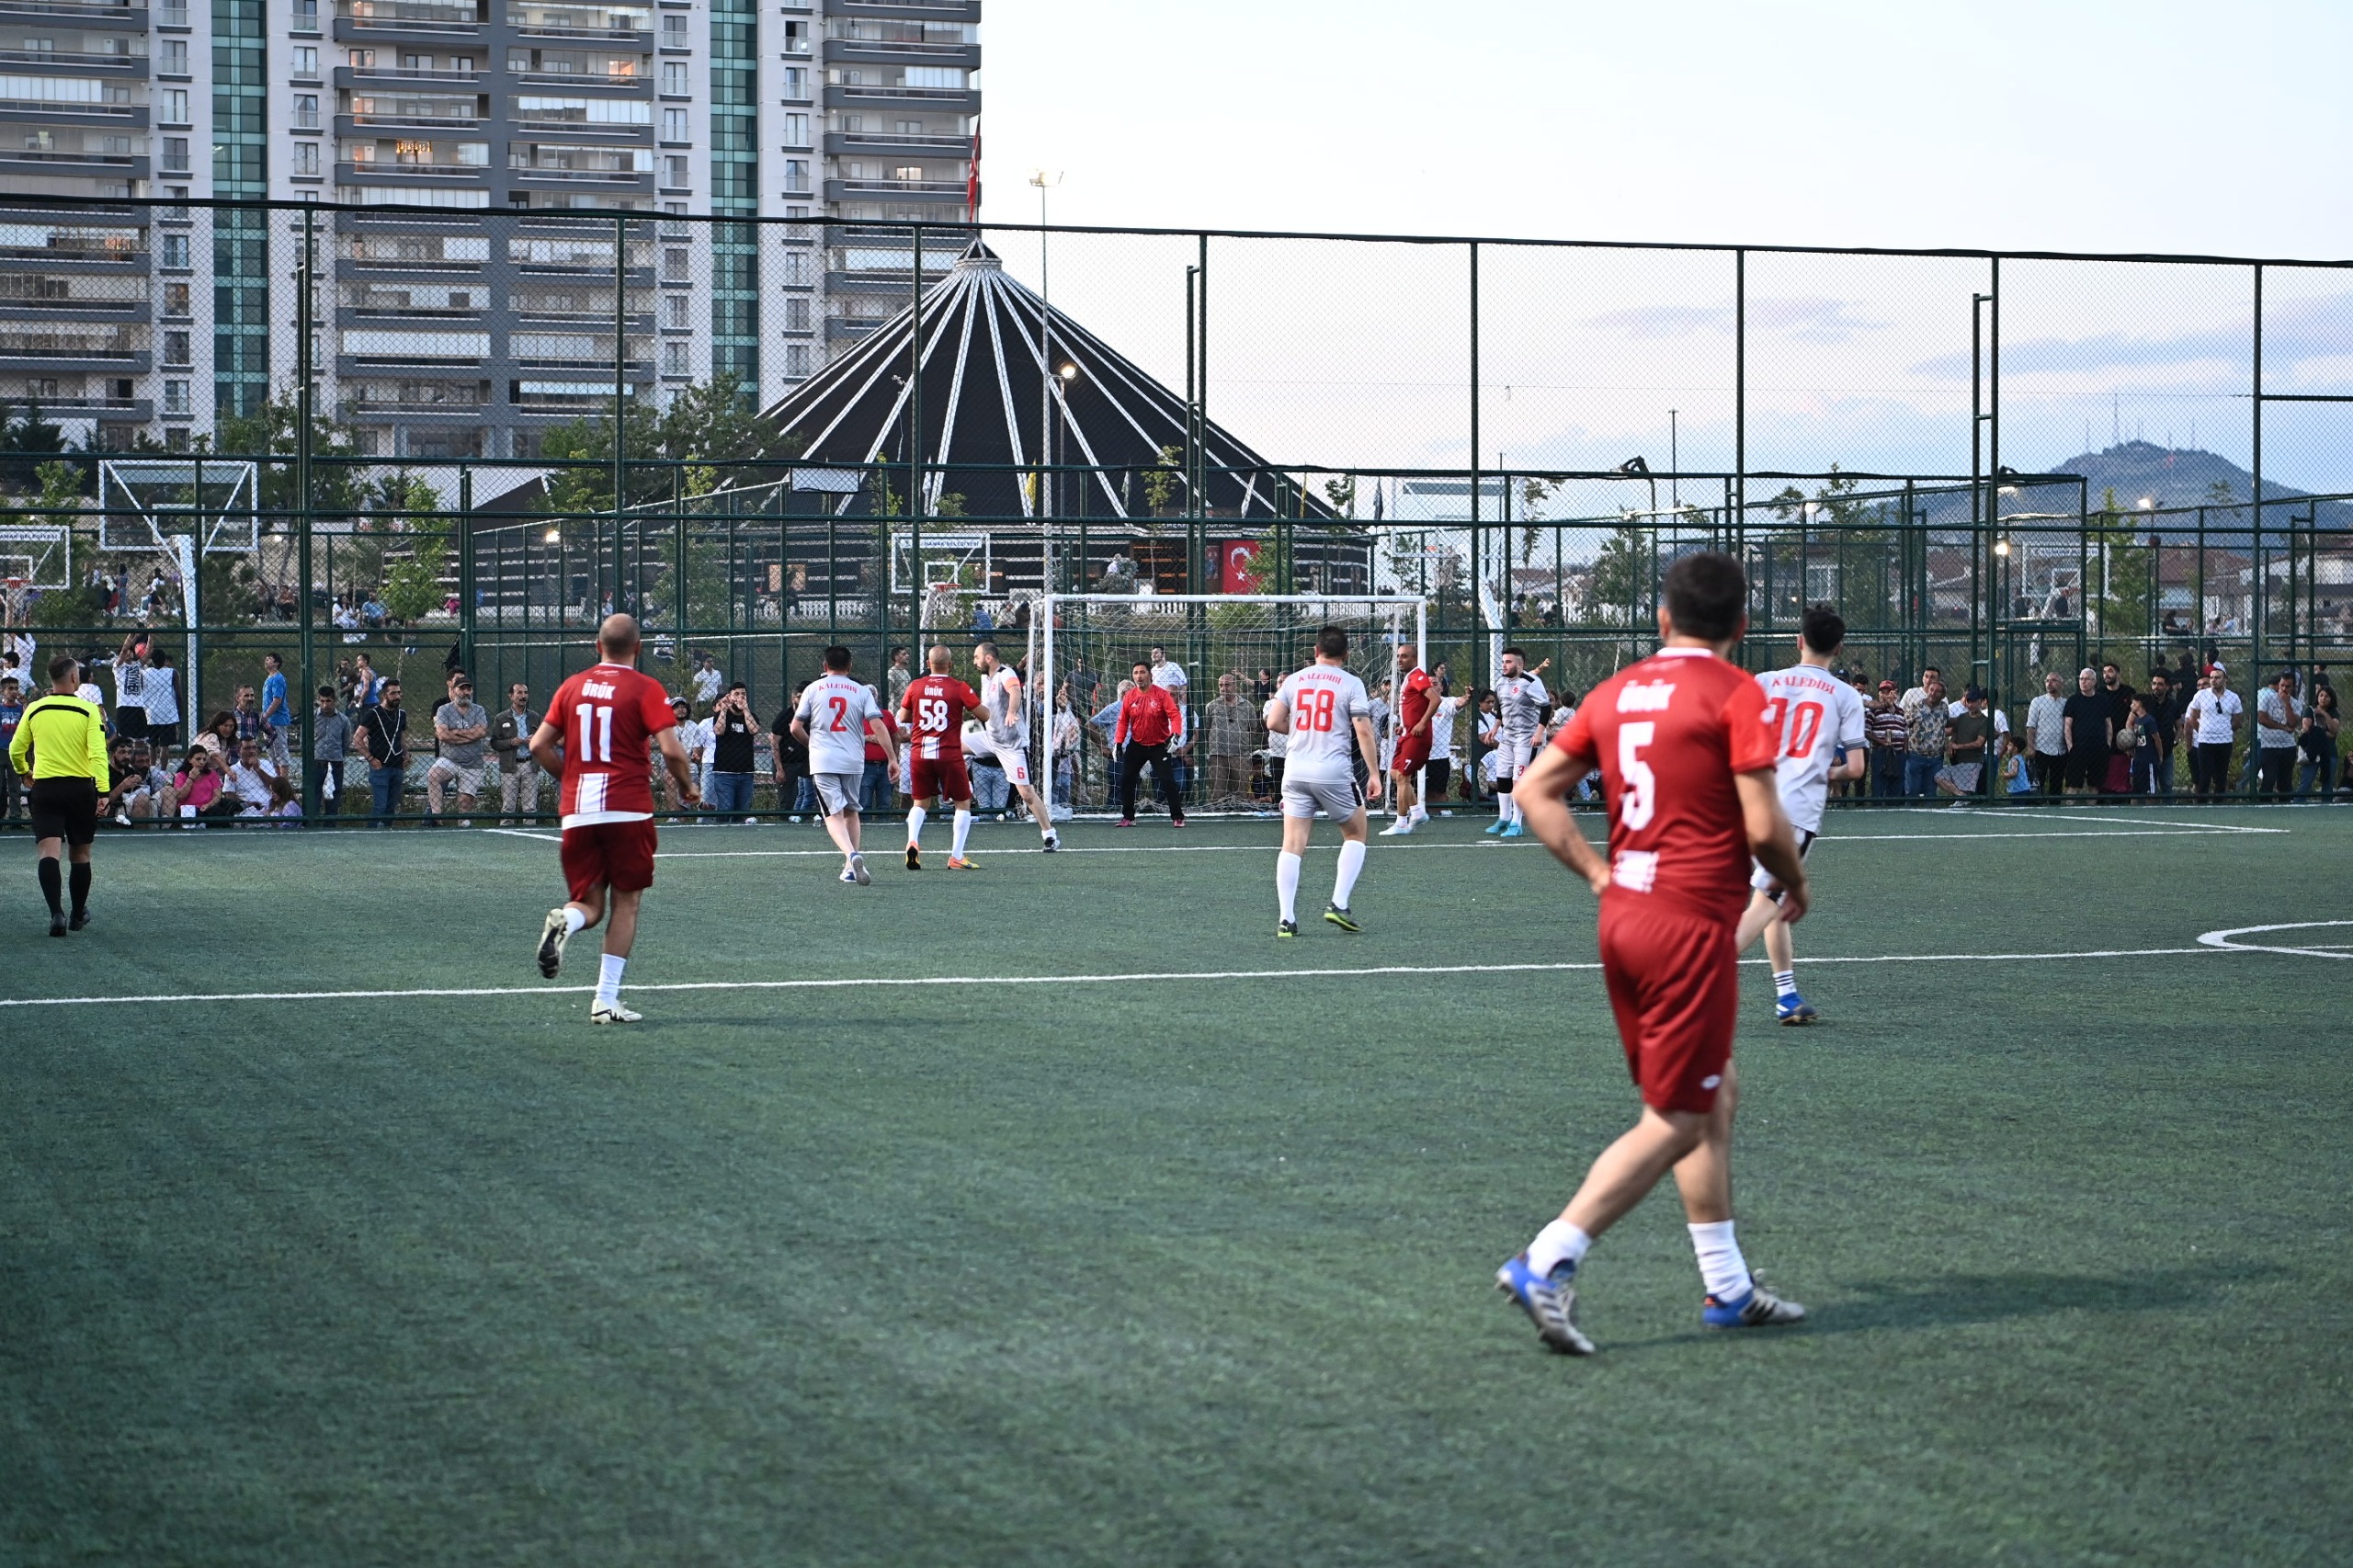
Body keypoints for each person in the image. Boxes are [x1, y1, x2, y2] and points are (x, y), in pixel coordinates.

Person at [1498, 551, 1811, 1356]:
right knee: (1675, 1116)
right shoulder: (1736, 691)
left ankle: (1729, 1286)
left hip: (1626, 918)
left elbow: (1534, 791)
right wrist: (1792, 884)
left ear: (1663, 620)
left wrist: (1602, 874)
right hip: (1687, 922)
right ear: (1742, 627)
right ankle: (1549, 1258)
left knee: (1714, 1093)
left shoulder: (1620, 688)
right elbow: (1767, 827)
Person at [530, 613, 699, 1025]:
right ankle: (605, 1000)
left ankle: (565, 920)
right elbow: (674, 752)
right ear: (638, 649)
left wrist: (570, 776)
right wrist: (688, 787)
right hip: (627, 806)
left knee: (589, 903)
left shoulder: (572, 686)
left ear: (596, 645)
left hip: (578, 809)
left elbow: (538, 745)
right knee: (627, 902)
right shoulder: (644, 687)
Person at [1730, 604, 1864, 1027]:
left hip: (1745, 799)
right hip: (1794, 812)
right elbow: (1857, 768)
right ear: (1839, 649)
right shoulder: (1846, 695)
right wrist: (1831, 771)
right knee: (1769, 900)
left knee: (1770, 900)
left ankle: (1787, 995)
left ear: (1799, 641)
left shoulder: (1765, 681)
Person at [1263, 625, 1384, 937]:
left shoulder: (1293, 679)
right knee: (1356, 833)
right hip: (1333, 771)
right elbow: (1364, 730)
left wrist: (1302, 733)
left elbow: (1273, 721)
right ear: (1345, 654)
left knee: (1292, 844)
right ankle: (1338, 904)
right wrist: (1373, 773)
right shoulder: (1351, 682)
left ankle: (1286, 919)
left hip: (1295, 771)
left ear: (1316, 652)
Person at [9, 653, 109, 937]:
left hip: (46, 789)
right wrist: (102, 790)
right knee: (80, 854)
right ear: (74, 678)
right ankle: (78, 914)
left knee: (48, 852)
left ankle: (56, 914)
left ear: (51, 680)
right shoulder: (89, 711)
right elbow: (98, 753)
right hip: (80, 789)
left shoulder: (35, 709)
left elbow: (16, 749)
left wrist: (24, 771)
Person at [791, 644, 896, 885]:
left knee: (832, 815)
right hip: (853, 760)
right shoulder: (861, 691)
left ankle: (851, 855)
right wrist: (892, 758)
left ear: (825, 666)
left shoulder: (812, 689)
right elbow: (878, 725)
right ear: (850, 667)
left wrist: (812, 746)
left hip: (824, 760)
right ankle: (850, 868)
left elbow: (795, 727)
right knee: (851, 811)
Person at [961, 642, 1062, 849]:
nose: (974, 661)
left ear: (988, 658)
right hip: (990, 738)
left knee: (1026, 792)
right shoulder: (985, 678)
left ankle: (1049, 834)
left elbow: (1015, 692)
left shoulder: (1005, 674)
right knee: (948, 746)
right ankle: (961, 795)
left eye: (976, 657)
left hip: (1012, 745)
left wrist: (1011, 711)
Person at [896, 644, 984, 870]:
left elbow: (904, 716)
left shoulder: (915, 686)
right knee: (962, 803)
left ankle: (913, 840)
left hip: (920, 752)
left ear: (928, 664)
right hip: (949, 753)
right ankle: (956, 856)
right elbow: (984, 715)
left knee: (920, 802)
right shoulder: (959, 687)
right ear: (950, 665)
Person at [1112, 660, 1186, 827]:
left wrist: (1175, 735)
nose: (1139, 676)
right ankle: (1128, 817)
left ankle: (1178, 816)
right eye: (1136, 673)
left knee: (1167, 781)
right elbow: (1122, 721)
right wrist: (1118, 742)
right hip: (1137, 744)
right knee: (1126, 779)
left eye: (1142, 672)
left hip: (1160, 745)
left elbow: (1174, 715)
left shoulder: (1161, 694)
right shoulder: (1129, 696)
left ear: (1150, 675)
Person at [1484, 648, 1550, 836]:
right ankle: (1504, 817)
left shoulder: (1531, 682)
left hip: (1527, 737)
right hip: (1508, 736)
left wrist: (1539, 733)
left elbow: (1545, 708)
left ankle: (1516, 823)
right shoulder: (1501, 682)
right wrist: (1495, 728)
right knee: (1502, 776)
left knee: (1518, 779)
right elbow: (1501, 708)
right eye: (1503, 661)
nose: (1504, 665)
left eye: (1509, 662)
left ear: (1520, 665)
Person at [1381, 643, 1437, 835]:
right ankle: (1417, 812)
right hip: (1406, 733)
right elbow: (1413, 706)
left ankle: (1401, 823)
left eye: (1404, 656)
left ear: (1414, 658)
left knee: (1404, 777)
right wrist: (1403, 725)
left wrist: (1422, 723)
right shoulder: (1409, 678)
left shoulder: (1418, 675)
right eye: (1398, 656)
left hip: (1417, 735)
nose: (1399, 660)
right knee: (1395, 773)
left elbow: (1435, 699)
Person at [425, 673, 489, 825]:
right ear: (453, 691)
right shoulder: (443, 710)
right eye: (462, 689)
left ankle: (464, 827)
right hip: (449, 759)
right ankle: (436, 816)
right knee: (433, 775)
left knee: (465, 801)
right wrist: (469, 735)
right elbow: (442, 735)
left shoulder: (478, 710)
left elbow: (481, 732)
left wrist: (455, 733)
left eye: (468, 689)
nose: (466, 692)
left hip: (472, 762)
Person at [2182, 664, 2242, 801]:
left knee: (2221, 776)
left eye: (2218, 677)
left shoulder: (2233, 697)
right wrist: (2202, 730)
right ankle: (2201, 803)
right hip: (2206, 741)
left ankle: (2219, 803)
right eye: (2212, 677)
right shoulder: (2201, 695)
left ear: (2225, 679)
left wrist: (2225, 730)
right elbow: (2192, 717)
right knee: (2205, 775)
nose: (2214, 680)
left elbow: (2237, 721)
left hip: (2225, 741)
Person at [1200, 672, 1258, 809]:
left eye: (1227, 685)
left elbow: (1253, 729)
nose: (1223, 688)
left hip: (1240, 754)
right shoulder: (1212, 706)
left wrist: (1243, 743)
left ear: (1235, 686)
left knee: (1241, 791)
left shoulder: (1247, 706)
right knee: (1218, 791)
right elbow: (1206, 728)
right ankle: (1216, 816)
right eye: (1220, 685)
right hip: (1218, 755)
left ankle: (1241, 816)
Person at [706, 681, 761, 822]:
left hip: (746, 773)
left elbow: (754, 730)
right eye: (736, 694)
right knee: (726, 810)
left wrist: (746, 710)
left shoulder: (751, 716)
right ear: (729, 697)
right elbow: (718, 731)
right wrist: (723, 710)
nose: (740, 697)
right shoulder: (721, 715)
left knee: (742, 812)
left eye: (743, 694)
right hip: (725, 774)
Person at [358, 679, 408, 824]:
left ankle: (387, 835)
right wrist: (370, 758)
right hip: (380, 766)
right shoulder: (373, 713)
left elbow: (401, 738)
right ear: (384, 695)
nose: (397, 696)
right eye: (393, 693)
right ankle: (371, 835)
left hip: (397, 766)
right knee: (380, 806)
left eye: (398, 692)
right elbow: (357, 738)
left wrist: (407, 753)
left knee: (391, 807)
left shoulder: (401, 714)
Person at [490, 682, 541, 824]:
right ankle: (507, 833)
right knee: (508, 806)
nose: (523, 696)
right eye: (519, 693)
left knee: (530, 806)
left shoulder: (534, 717)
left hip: (530, 764)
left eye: (525, 693)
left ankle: (530, 833)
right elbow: (494, 742)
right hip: (510, 765)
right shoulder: (501, 718)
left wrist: (535, 739)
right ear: (511, 696)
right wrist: (510, 742)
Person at [2061, 668, 2111, 801]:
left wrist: (2108, 744)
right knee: (2073, 784)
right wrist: (2071, 747)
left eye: (2087, 679)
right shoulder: (2073, 700)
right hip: (2078, 748)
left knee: (2094, 785)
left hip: (2098, 748)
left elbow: (2108, 724)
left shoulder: (2103, 700)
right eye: (2081, 679)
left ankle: (2092, 811)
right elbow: (2067, 725)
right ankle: (2070, 810)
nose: (2083, 682)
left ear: (2094, 681)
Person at [1900, 672, 1949, 798]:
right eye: (1931, 690)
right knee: (1912, 790)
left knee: (1930, 792)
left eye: (1937, 691)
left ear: (1942, 695)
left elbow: (1947, 725)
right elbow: (1904, 726)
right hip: (1916, 755)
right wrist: (1905, 748)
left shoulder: (1944, 708)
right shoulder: (1916, 706)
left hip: (1936, 757)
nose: (1933, 693)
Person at [2255, 669, 2301, 801]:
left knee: (2285, 782)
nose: (2284, 689)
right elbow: (2262, 719)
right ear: (2278, 684)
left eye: (2288, 686)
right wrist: (2283, 727)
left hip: (2288, 746)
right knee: (2269, 778)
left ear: (2293, 687)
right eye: (2282, 685)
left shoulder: (2296, 704)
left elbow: (2292, 723)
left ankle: (2285, 807)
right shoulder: (2267, 698)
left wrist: (2286, 703)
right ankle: (2264, 805)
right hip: (2269, 746)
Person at [1938, 687, 1991, 800]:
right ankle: (1962, 797)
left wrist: (1958, 746)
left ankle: (1964, 798)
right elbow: (1954, 733)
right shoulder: (1962, 717)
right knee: (1939, 777)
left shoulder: (1984, 720)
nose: (1970, 705)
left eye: (1973, 702)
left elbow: (1979, 743)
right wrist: (1950, 744)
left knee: (1965, 788)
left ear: (1980, 702)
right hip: (1958, 760)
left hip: (1973, 761)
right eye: (1968, 701)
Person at [308, 686, 351, 819]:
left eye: (328, 701)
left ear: (335, 701)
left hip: (335, 763)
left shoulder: (343, 720)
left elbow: (346, 742)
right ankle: (312, 824)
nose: (325, 705)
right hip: (316, 762)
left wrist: (338, 756)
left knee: (334, 796)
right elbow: (305, 740)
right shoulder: (312, 718)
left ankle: (330, 825)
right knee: (313, 796)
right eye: (322, 701)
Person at [769, 687, 812, 821]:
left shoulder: (814, 714)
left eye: (805, 696)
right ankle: (784, 824)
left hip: (807, 760)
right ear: (793, 698)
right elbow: (774, 742)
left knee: (820, 790)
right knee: (786, 800)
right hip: (787, 762)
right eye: (799, 696)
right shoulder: (784, 717)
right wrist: (779, 769)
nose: (802, 699)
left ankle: (816, 819)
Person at [2025, 671, 2069, 798]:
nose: (2049, 683)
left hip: (2060, 750)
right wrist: (2031, 747)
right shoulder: (2038, 702)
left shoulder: (2065, 703)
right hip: (2041, 749)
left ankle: (2055, 807)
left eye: (2054, 680)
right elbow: (2031, 726)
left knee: (2057, 783)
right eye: (2047, 681)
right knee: (2038, 781)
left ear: (2061, 684)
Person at [2297, 685, 2341, 801]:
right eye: (2321, 695)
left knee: (2327, 785)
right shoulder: (2310, 710)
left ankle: (2326, 811)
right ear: (2317, 697)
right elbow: (2307, 729)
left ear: (2331, 699)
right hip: (2312, 752)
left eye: (2327, 696)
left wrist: (2323, 713)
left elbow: (2334, 730)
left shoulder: (2334, 713)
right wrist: (2325, 733)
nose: (2323, 698)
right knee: (2305, 783)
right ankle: (2297, 806)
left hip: (2329, 752)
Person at [108, 632, 150, 748]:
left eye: (130, 651)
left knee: (141, 738)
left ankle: (138, 759)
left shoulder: (138, 665)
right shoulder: (118, 666)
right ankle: (123, 756)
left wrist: (151, 634)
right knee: (124, 738)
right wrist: (132, 635)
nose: (127, 654)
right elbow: (123, 650)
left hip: (138, 705)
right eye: (126, 652)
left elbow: (149, 651)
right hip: (124, 705)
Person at [259, 651, 293, 774]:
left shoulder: (278, 678)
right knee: (271, 752)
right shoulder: (270, 678)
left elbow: (277, 700)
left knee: (280, 752)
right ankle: (277, 781)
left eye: (269, 659)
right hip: (268, 721)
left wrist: (265, 716)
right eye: (266, 658)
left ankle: (284, 784)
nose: (266, 660)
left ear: (276, 663)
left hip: (277, 720)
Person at [141, 647, 180, 751]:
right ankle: (163, 768)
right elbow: (178, 694)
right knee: (165, 746)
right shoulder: (172, 672)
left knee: (152, 745)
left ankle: (152, 766)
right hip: (167, 714)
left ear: (152, 660)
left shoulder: (145, 673)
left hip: (151, 714)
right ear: (165, 660)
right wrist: (180, 710)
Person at [0, 674, 21, 826]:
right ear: (3, 691)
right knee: (1, 786)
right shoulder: (1, 708)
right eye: (10, 689)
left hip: (15, 751)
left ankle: (16, 816)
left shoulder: (22, 709)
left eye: (16, 688)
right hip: (1, 750)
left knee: (15, 786)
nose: (14, 691)